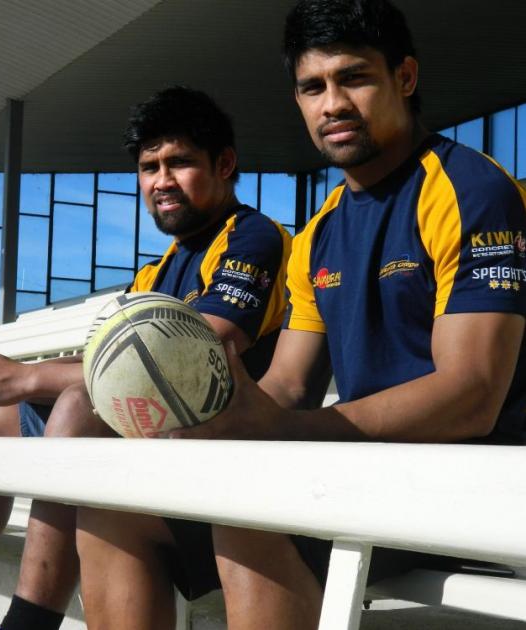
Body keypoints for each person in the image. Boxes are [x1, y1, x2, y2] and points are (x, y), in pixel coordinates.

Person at [154, 1, 526, 628]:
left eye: (354, 77)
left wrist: (278, 431)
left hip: (472, 483)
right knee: (120, 506)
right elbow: (290, 384)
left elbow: (473, 397)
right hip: (372, 475)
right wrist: (224, 418)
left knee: (247, 516)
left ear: (404, 78)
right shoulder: (318, 233)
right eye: (312, 87)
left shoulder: (471, 190)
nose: (332, 105)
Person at [0, 86, 291, 630]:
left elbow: (194, 350)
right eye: (149, 167)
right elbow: (110, 362)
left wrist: (24, 375)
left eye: (179, 162)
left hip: (224, 463)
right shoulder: (157, 270)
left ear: (224, 164)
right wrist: (8, 384)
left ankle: (28, 624)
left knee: (80, 405)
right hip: (157, 449)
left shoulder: (252, 237)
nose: (161, 181)